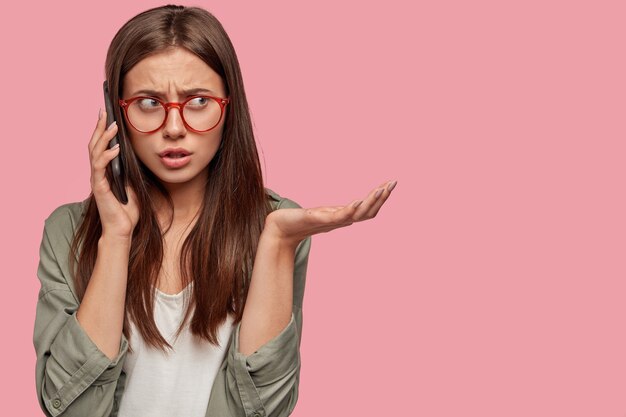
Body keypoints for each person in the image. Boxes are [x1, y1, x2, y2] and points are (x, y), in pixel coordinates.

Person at [33, 4, 397, 417]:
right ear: (117, 112)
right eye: (149, 102)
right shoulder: (68, 230)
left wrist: (276, 242)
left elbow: (263, 409)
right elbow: (69, 408)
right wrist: (115, 237)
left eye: (199, 101)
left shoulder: (273, 225)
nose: (174, 127)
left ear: (229, 106)